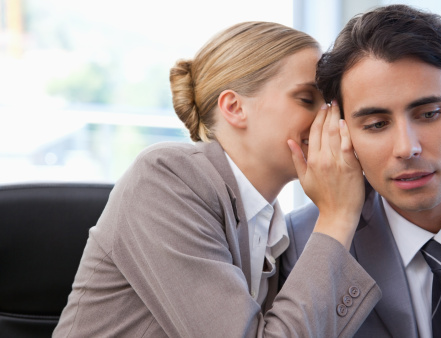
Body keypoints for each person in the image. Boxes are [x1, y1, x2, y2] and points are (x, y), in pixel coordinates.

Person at [53, 21, 381, 337]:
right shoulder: (164, 178)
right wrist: (338, 217)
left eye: (328, 104)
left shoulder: (273, 230)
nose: (329, 119)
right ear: (235, 107)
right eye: (307, 99)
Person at [282, 4, 441, 338]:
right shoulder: (305, 245)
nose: (406, 148)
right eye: (376, 124)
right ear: (341, 132)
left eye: (429, 114)